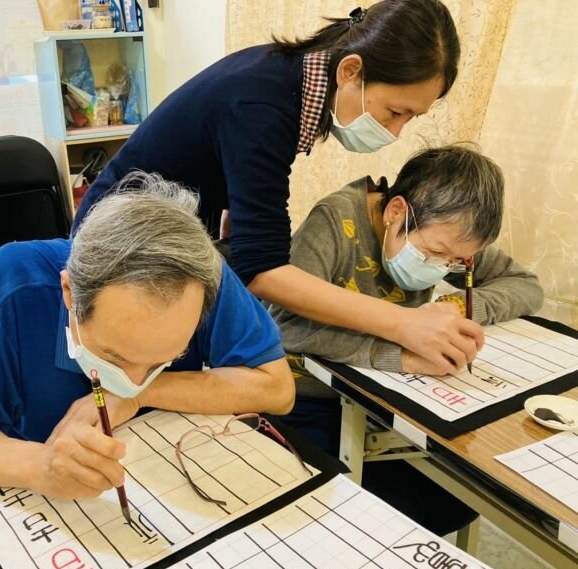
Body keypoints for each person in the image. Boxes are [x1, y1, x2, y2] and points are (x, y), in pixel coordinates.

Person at [0, 173, 295, 569]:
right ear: (68, 292)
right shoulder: (13, 280)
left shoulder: (200, 273)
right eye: (116, 359)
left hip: (168, 494)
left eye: (163, 361)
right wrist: (40, 466)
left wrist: (136, 396)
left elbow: (276, 388)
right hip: (26, 498)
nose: (135, 377)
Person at [72, 0, 484, 376]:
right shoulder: (264, 105)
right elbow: (263, 270)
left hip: (166, 235)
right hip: (119, 246)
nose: (394, 132)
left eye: (410, 118)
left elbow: (233, 186)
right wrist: (405, 323)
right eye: (395, 112)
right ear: (351, 71)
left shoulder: (287, 80)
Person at [268, 144, 544, 534]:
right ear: (396, 211)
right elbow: (281, 327)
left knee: (457, 504)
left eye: (455, 262)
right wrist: (397, 355)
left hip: (388, 404)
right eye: (435, 252)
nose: (443, 266)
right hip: (309, 396)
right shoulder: (334, 221)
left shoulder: (452, 231)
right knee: (395, 515)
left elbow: (527, 286)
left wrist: (456, 307)